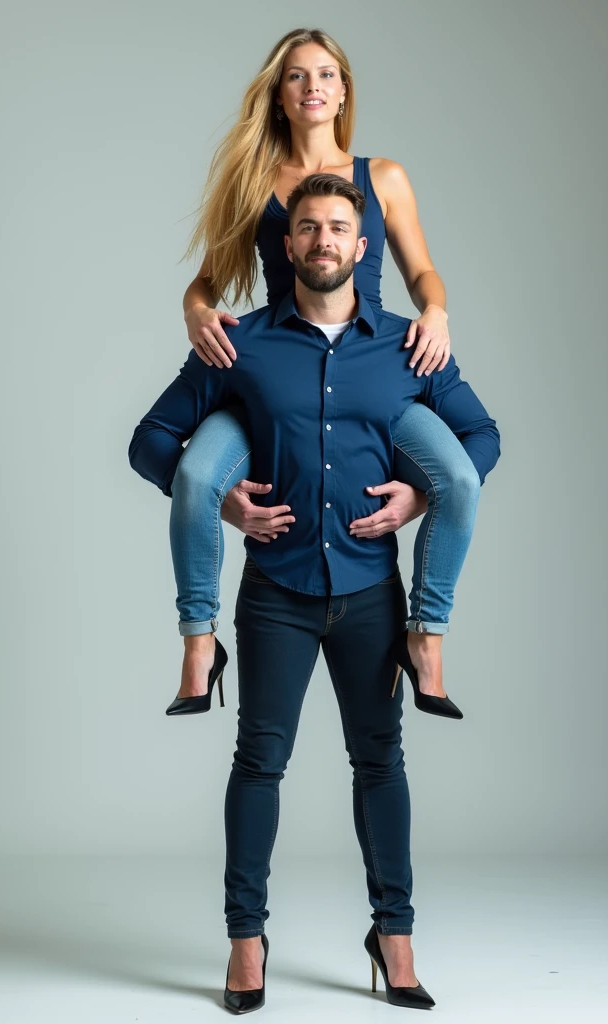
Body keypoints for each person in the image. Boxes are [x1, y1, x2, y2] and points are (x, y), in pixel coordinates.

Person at [129, 173, 500, 1012]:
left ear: (361, 250)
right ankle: (245, 940)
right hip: (276, 595)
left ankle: (394, 936)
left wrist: (420, 496)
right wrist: (224, 502)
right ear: (285, 245)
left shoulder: (405, 347)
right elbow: (152, 441)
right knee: (259, 764)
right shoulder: (242, 343)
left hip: (372, 594)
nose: (324, 240)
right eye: (309, 228)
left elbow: (479, 434)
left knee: (381, 763)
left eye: (339, 227)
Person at [169, 27, 485, 715]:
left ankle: (426, 635)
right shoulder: (252, 180)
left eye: (326, 74)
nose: (312, 86)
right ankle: (199, 640)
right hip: (278, 372)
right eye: (296, 76)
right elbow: (208, 284)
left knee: (458, 475)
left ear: (343, 90)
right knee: (196, 475)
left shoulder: (384, 176)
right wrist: (195, 312)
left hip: (372, 373)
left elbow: (423, 272)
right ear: (279, 96)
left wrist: (436, 314)